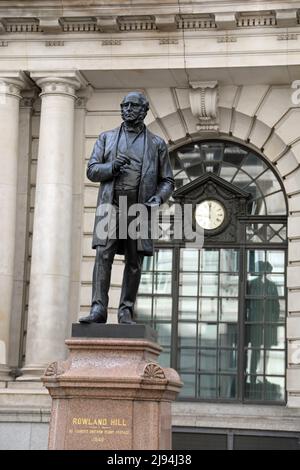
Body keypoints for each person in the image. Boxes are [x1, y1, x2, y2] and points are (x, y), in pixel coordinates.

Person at [79, 92, 174, 325]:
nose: (128, 109)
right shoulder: (106, 138)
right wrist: (111, 167)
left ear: (144, 110)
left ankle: (125, 310)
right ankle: (98, 308)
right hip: (110, 206)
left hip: (139, 209)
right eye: (125, 105)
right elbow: (92, 171)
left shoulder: (157, 144)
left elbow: (168, 180)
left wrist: (158, 199)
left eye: (133, 106)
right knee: (103, 255)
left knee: (134, 261)